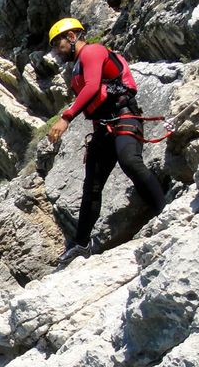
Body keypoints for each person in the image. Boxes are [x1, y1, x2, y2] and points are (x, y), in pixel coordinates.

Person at [46, 17, 165, 265]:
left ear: (72, 37)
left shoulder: (92, 51)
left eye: (58, 44)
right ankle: (80, 245)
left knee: (129, 160)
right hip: (104, 127)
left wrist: (66, 118)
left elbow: (91, 88)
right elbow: (94, 101)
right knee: (92, 186)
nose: (57, 50)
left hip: (125, 117)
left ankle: (166, 212)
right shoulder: (77, 67)